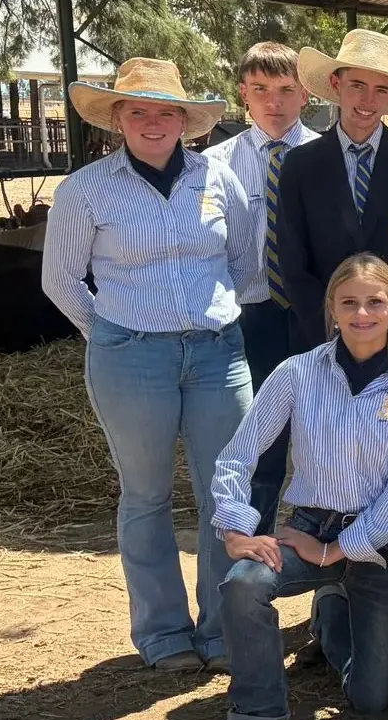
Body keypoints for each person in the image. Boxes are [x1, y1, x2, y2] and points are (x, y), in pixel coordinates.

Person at [43, 58, 255, 673]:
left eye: (167, 111)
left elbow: (242, 262)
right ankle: (163, 633)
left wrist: (210, 310)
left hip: (217, 353)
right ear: (117, 119)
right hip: (132, 357)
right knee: (145, 494)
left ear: (187, 121)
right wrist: (111, 331)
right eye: (139, 110)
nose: (154, 122)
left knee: (225, 493)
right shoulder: (86, 189)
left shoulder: (217, 179)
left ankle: (222, 630)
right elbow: (60, 279)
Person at [202, 254, 388, 720]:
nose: (361, 314)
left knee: (371, 699)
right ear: (330, 308)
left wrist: (337, 552)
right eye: (348, 302)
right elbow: (240, 454)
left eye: (375, 302)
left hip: (381, 542)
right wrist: (237, 526)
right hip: (308, 523)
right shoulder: (297, 372)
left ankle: (331, 610)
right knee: (243, 583)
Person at [201, 43, 316, 535]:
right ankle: (253, 554)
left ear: (305, 94)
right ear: (242, 95)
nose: (275, 102)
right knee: (260, 441)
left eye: (287, 90)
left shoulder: (327, 157)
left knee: (326, 435)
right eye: (262, 90)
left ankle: (329, 568)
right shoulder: (212, 165)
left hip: (315, 315)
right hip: (251, 316)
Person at [275, 28, 388, 352]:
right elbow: (294, 266)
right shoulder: (300, 166)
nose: (368, 100)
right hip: (323, 345)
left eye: (380, 90)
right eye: (357, 86)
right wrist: (336, 338)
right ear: (337, 85)